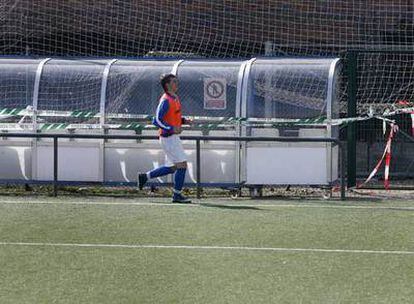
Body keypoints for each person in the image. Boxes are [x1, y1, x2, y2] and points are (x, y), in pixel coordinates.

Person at [138, 73, 192, 203]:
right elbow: (156, 120)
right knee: (182, 166)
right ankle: (177, 195)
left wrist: (184, 121)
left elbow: (173, 117)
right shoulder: (165, 100)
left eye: (176, 81)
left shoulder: (175, 98)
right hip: (169, 138)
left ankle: (145, 176)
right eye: (174, 82)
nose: (176, 84)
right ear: (167, 85)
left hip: (172, 138)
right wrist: (171, 128)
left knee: (173, 167)